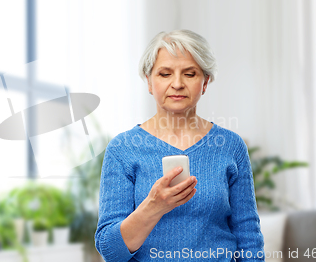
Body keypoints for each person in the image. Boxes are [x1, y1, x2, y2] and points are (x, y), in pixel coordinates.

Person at [94, 29, 265, 262]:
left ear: (205, 82)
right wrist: (154, 206)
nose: (177, 84)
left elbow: (249, 238)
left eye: (190, 74)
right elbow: (111, 251)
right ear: (149, 82)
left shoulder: (230, 146)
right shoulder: (122, 150)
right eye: (165, 74)